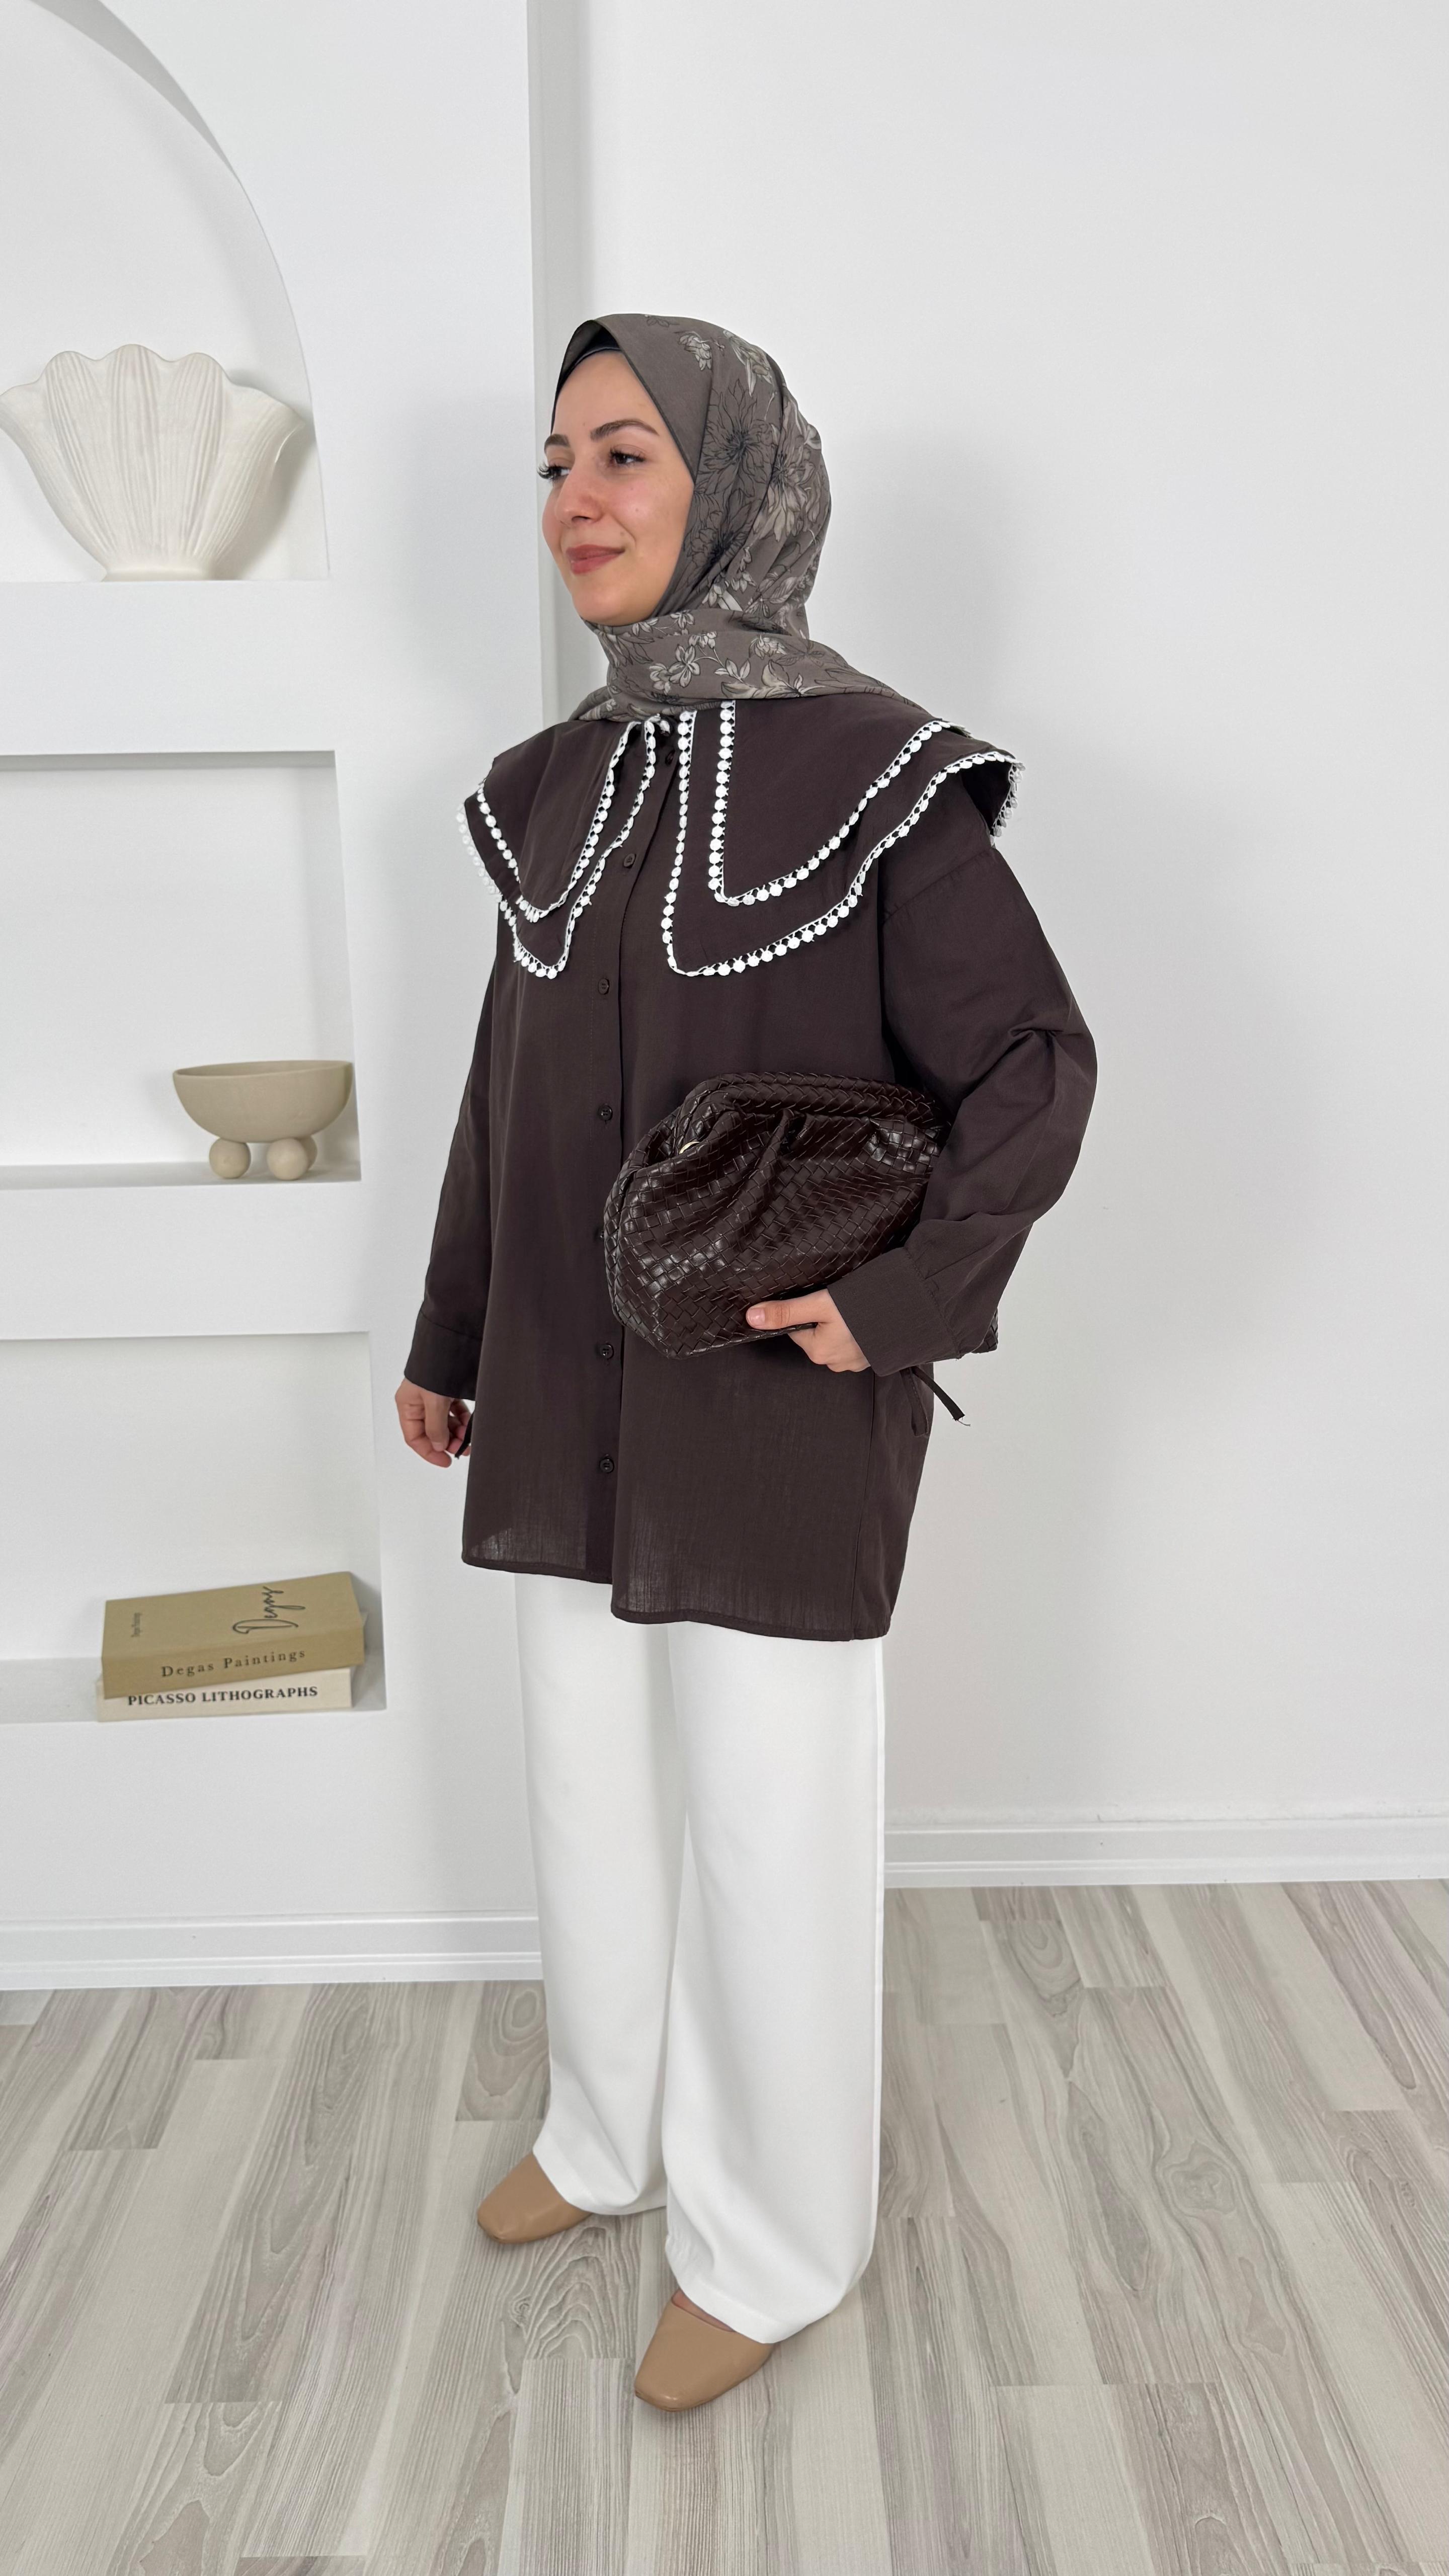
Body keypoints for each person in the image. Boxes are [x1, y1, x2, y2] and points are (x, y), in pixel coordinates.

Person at [395, 312, 1096, 2412]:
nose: (576, 502)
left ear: (741, 486)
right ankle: (606, 2132)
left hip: (777, 1387)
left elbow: (1032, 1065)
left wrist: (900, 1302)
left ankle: (775, 2239)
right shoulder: (555, 785)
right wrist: (451, 1333)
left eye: (625, 454)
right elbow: (504, 1094)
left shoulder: (876, 773)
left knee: (770, 1812)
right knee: (589, 1781)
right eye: (554, 464)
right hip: (565, 1381)